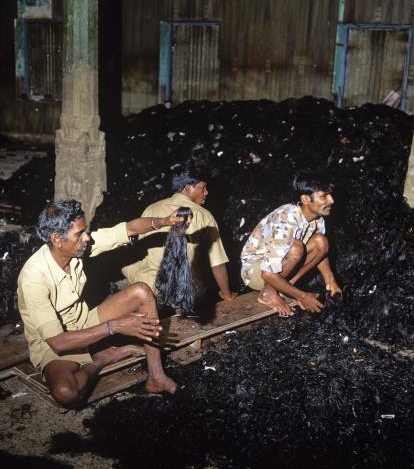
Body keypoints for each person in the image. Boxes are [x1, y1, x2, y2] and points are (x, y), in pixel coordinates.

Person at [17, 199, 184, 408]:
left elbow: (129, 228)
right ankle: (102, 358)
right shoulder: (33, 277)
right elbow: (57, 342)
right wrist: (115, 326)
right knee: (66, 393)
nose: (87, 238)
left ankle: (156, 376)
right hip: (55, 342)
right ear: (57, 239)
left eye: (85, 230)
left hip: (85, 321)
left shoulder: (78, 247)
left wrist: (164, 221)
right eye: (79, 234)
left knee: (142, 291)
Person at [122, 169, 237, 304]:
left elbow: (141, 250)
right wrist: (226, 294)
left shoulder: (151, 209)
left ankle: (150, 296)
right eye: (203, 188)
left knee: (127, 264)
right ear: (188, 188)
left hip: (153, 287)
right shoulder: (205, 215)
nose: (206, 192)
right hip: (189, 291)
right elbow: (217, 265)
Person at [240, 175, 342, 316]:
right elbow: (267, 273)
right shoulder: (286, 219)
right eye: (324, 196)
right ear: (305, 199)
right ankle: (268, 293)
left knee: (321, 241)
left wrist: (330, 279)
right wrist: (302, 296)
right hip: (256, 272)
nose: (332, 200)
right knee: (296, 248)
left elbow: (321, 251)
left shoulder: (317, 219)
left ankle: (283, 288)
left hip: (280, 269)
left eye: (330, 195)